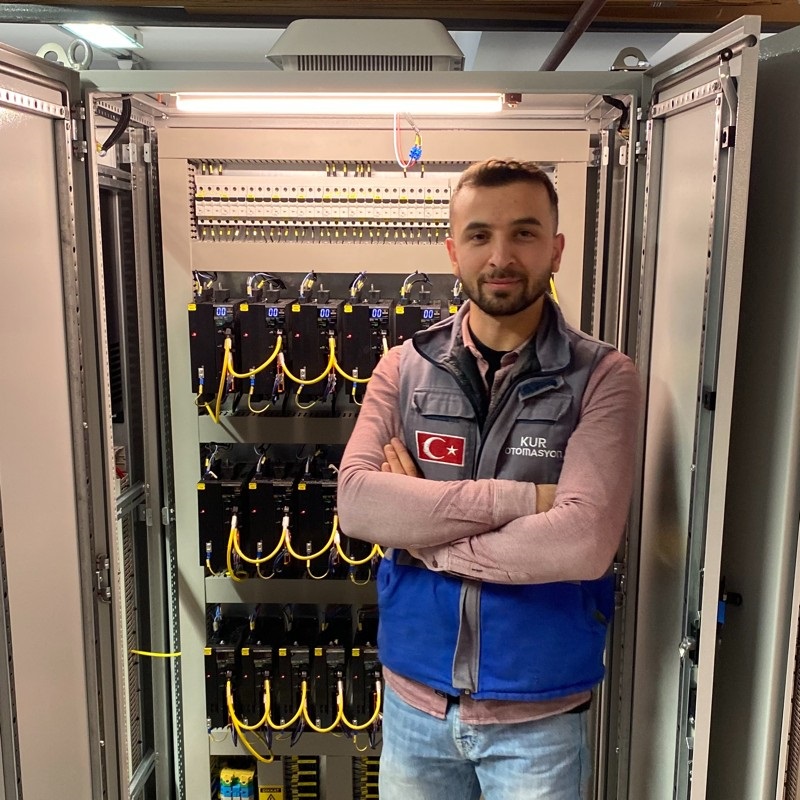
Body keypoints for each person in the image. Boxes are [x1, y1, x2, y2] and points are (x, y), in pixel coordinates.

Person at [336, 158, 641, 799]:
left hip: (539, 716)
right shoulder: (402, 369)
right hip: (414, 703)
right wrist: (527, 500)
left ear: (556, 249)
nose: (501, 256)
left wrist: (424, 538)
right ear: (454, 251)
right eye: (480, 235)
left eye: (524, 233)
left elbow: (583, 542)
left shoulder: (603, 377)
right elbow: (359, 505)